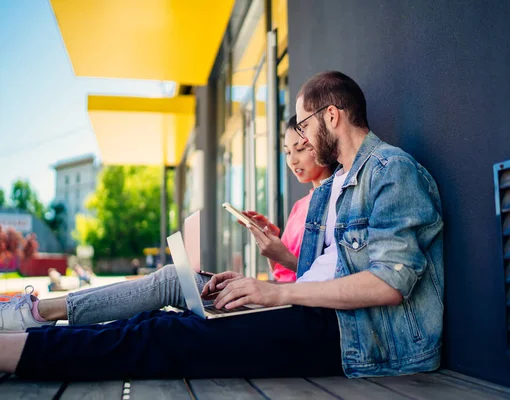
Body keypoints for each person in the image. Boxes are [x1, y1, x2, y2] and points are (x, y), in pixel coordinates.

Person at [0, 71, 443, 382]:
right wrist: (256, 286)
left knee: (164, 334)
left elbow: (389, 284)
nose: (303, 141)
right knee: (169, 298)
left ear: (331, 117)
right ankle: (30, 326)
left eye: (305, 126)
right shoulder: (332, 187)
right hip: (312, 313)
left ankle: (11, 353)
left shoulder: (391, 170)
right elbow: (317, 274)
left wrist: (277, 293)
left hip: (356, 339)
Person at [243, 115, 336, 282]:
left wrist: (284, 256)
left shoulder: (336, 201)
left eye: (300, 149)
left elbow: (328, 278)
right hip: (282, 295)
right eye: (287, 152)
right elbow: (282, 274)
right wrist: (271, 241)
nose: (292, 160)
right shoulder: (299, 207)